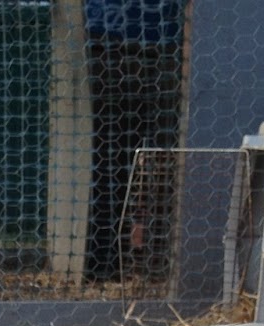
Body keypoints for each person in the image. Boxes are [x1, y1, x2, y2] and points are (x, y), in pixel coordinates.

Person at [84, 0, 185, 282]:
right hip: (121, 40)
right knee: (116, 157)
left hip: (160, 41)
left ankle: (136, 263)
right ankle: (107, 262)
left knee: (150, 159)